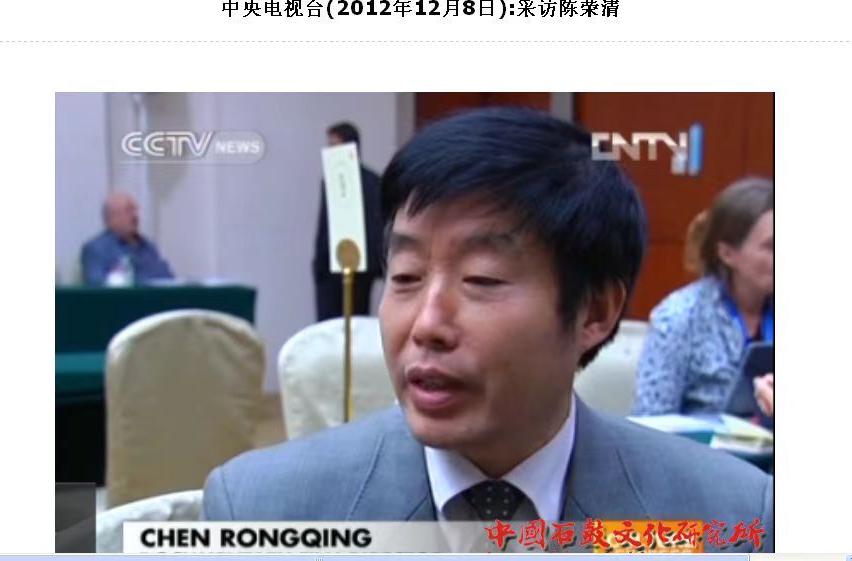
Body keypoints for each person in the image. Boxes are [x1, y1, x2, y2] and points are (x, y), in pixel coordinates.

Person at [205, 109, 773, 552]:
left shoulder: (733, 516)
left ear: (595, 312)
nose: (427, 324)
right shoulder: (260, 509)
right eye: (405, 276)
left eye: (481, 278)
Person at [633, 178, 774, 417]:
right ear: (727, 254)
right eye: (771, 246)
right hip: (699, 441)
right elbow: (650, 420)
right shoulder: (678, 317)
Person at [312, 122, 384, 321]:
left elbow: (376, 228)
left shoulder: (372, 182)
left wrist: (372, 267)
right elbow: (324, 225)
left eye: (334, 145)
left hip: (359, 269)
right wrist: (318, 263)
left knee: (355, 324)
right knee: (328, 326)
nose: (329, 152)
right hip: (329, 268)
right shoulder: (329, 181)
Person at [80, 192, 174, 286]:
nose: (135, 216)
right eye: (129, 211)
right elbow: (97, 285)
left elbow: (168, 280)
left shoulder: (147, 246)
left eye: (135, 210)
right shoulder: (96, 249)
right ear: (111, 218)